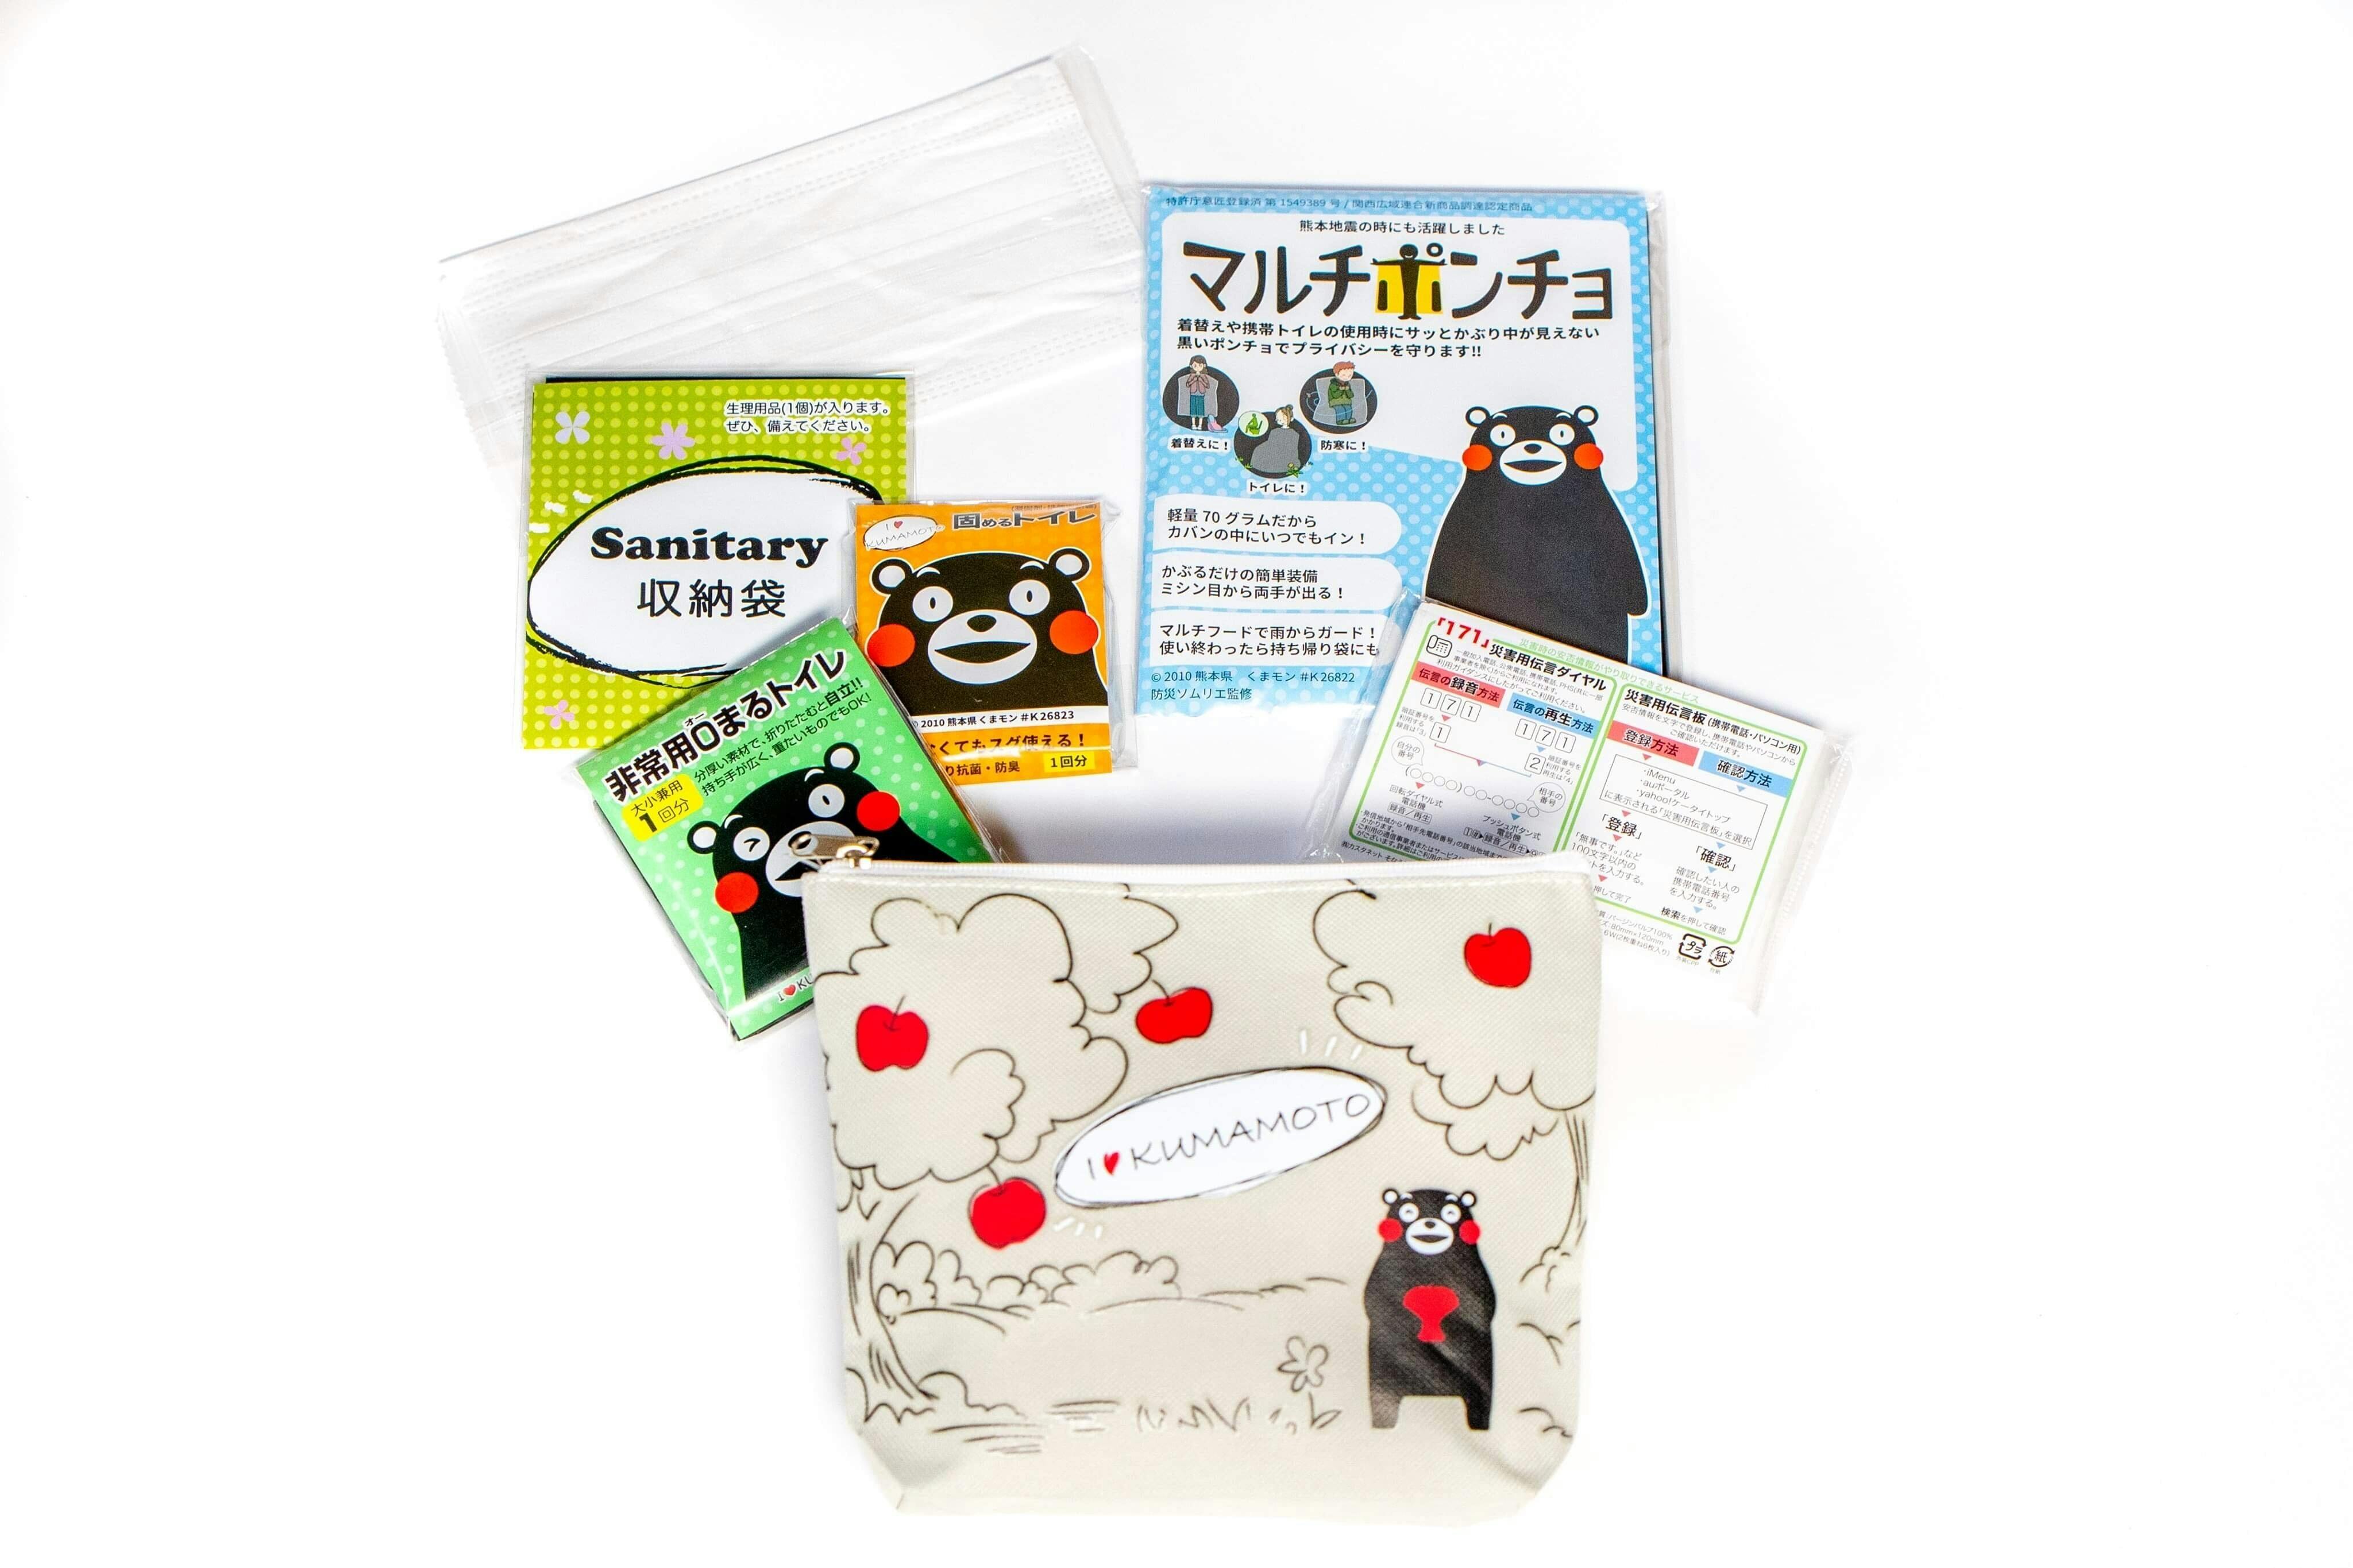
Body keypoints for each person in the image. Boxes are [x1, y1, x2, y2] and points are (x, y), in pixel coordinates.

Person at [1303, 361, 1369, 429]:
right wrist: (1341, 390)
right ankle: (1340, 420)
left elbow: (1351, 395)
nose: (1347, 377)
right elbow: (1335, 395)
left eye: (1350, 376)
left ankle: (1349, 419)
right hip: (1335, 402)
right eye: (1344, 375)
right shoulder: (1333, 385)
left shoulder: (1348, 385)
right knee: (1340, 409)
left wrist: (1347, 390)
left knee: (1349, 409)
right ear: (1337, 375)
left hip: (1346, 402)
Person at [1247, 405, 1307, 476]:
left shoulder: (1295, 434)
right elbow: (1270, 443)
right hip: (1273, 449)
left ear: (1286, 418)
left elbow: (1293, 449)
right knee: (1259, 450)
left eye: (1279, 418)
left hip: (1285, 454)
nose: (1277, 420)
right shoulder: (1275, 431)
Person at [1176, 355, 1221, 430]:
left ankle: (1200, 425)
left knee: (1201, 409)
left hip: (1201, 394)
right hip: (1193, 393)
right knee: (1193, 409)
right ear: (1191, 366)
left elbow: (1207, 386)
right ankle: (1193, 424)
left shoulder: (1204, 376)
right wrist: (1194, 380)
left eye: (1200, 366)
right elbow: (1188, 384)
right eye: (1195, 366)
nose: (1198, 368)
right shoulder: (1192, 376)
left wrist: (1201, 381)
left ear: (1204, 366)